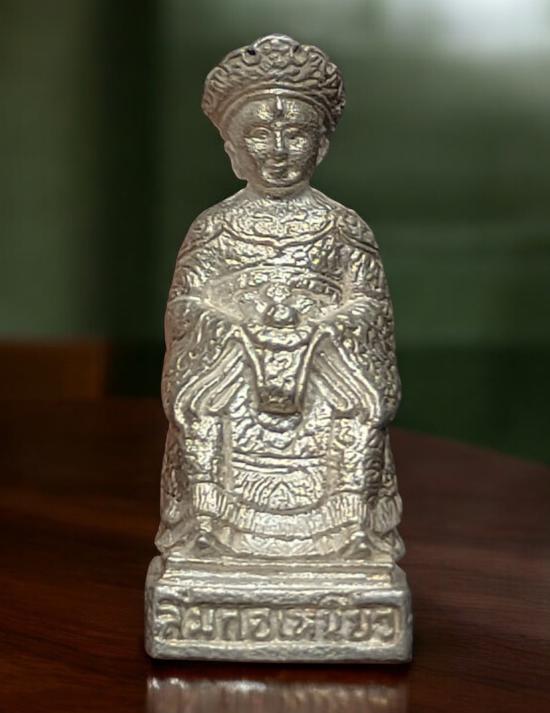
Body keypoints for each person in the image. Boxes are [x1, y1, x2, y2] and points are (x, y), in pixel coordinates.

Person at [156, 35, 404, 562]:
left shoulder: (342, 227)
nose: (278, 150)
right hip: (232, 363)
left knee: (360, 406)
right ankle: (211, 526)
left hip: (325, 362)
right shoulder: (215, 228)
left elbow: (370, 305)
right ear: (233, 150)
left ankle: (348, 529)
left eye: (295, 134)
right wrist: (235, 329)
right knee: (201, 404)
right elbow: (185, 308)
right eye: (259, 134)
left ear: (321, 147)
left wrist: (323, 329)